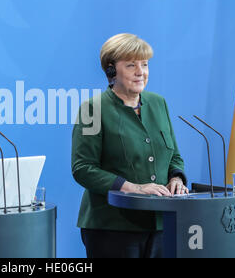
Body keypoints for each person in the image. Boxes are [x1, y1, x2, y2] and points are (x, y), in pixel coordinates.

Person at [72, 33, 188, 258]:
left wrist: (176, 178)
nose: (141, 72)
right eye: (131, 65)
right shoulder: (92, 109)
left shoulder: (158, 103)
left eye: (144, 64)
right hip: (112, 228)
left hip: (161, 225)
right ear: (111, 71)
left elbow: (174, 155)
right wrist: (133, 188)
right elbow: (83, 168)